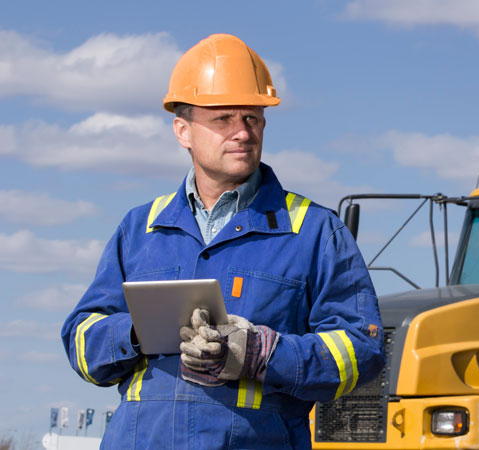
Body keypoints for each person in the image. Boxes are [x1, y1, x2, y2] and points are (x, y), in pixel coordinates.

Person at [61, 33, 385, 449]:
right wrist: (140, 331)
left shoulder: (315, 231)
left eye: (251, 118)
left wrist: (263, 354)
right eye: (223, 120)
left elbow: (362, 350)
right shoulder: (141, 228)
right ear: (183, 131)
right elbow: (82, 342)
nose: (242, 133)